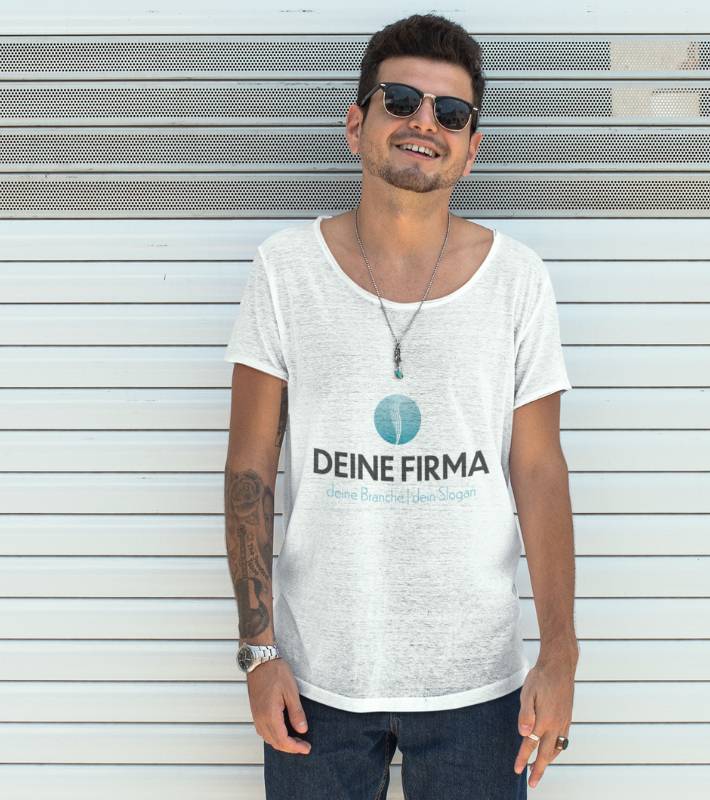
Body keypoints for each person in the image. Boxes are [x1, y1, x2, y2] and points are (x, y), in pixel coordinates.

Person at [223, 12, 578, 799]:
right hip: (316, 684)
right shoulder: (285, 270)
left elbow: (539, 472)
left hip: (479, 689)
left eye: (451, 113)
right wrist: (258, 652)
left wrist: (560, 653)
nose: (425, 123)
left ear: (472, 149)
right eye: (402, 101)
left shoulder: (517, 280)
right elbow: (250, 469)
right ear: (357, 124)